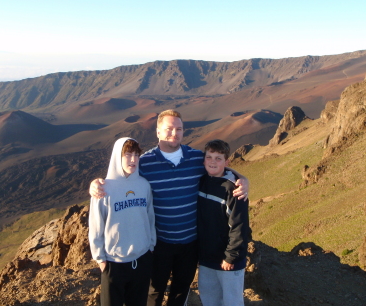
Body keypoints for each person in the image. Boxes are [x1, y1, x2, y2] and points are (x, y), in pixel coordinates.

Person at [89, 109, 249, 306]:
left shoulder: (196, 158)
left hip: (191, 243)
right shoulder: (145, 162)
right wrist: (96, 184)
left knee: (181, 291)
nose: (174, 133)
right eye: (169, 129)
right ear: (157, 132)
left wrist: (243, 178)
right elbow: (121, 173)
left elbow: (217, 166)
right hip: (160, 244)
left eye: (179, 129)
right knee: (154, 291)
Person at [88, 137, 156, 306]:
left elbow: (150, 217)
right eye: (127, 155)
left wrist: (150, 246)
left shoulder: (143, 185)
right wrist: (100, 258)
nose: (133, 160)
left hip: (142, 259)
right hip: (114, 263)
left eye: (136, 155)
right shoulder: (103, 189)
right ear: (117, 156)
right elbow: (96, 225)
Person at [197, 139, 251, 306]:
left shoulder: (233, 189)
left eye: (218, 158)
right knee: (209, 300)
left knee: (232, 301)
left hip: (228, 261)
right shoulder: (201, 181)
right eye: (209, 157)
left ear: (227, 162)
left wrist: (231, 257)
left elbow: (239, 227)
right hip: (206, 259)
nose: (213, 161)